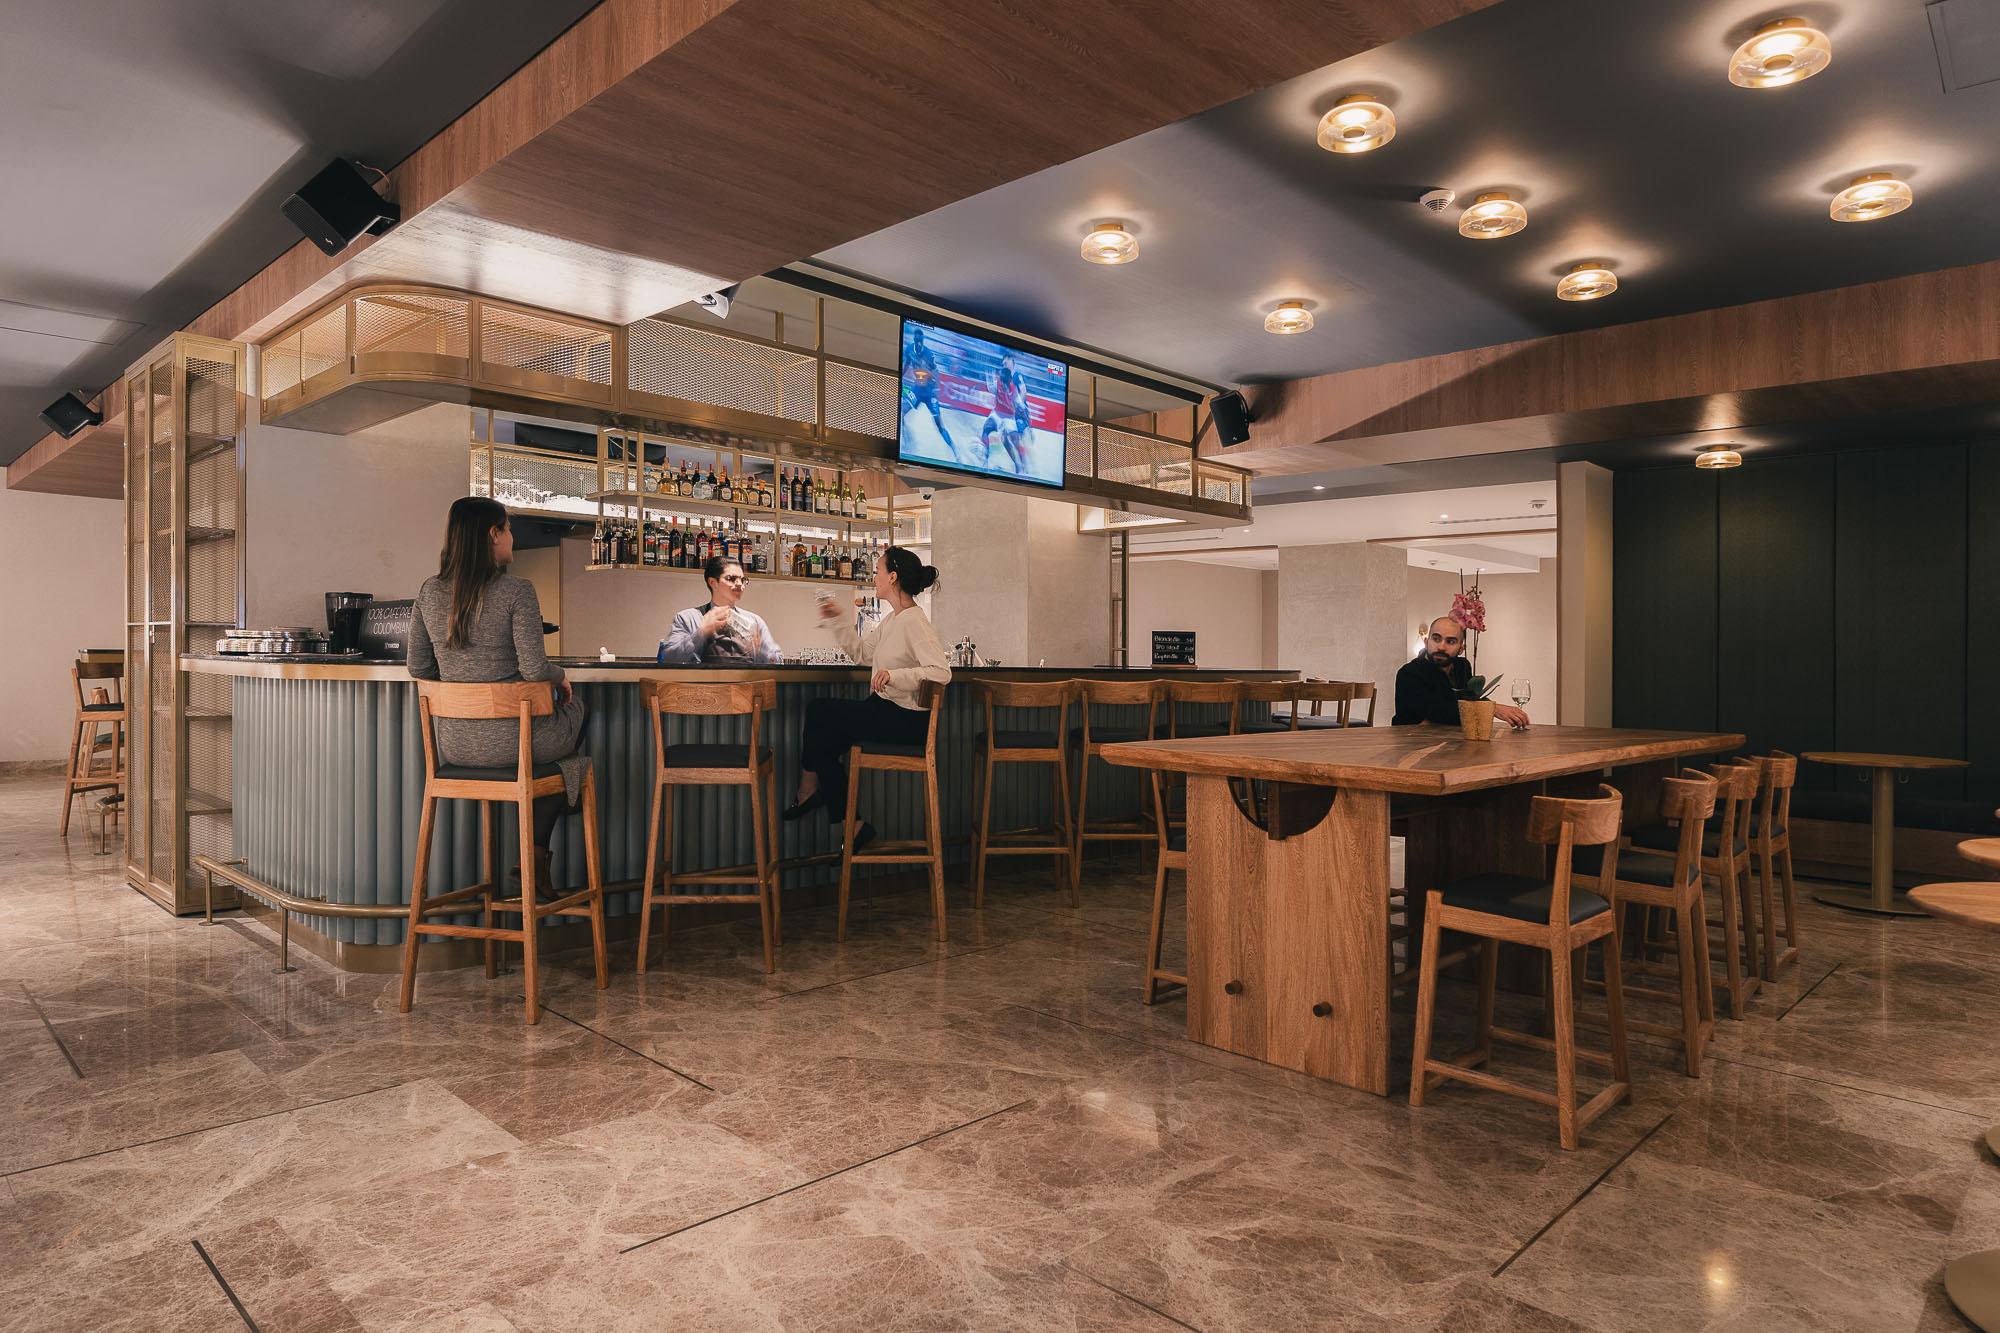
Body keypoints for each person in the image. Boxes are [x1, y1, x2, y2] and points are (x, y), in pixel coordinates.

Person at [406, 496, 588, 899]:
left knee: (558, 759)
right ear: (494, 534)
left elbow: (418, 667)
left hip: (455, 745)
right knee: (577, 713)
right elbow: (535, 669)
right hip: (515, 743)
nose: (512, 538)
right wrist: (561, 676)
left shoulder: (429, 591)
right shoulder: (517, 590)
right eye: (508, 529)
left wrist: (465, 686)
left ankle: (556, 808)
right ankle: (546, 834)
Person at [784, 546, 951, 851]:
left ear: (893, 577)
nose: (874, 577)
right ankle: (854, 827)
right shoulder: (893, 620)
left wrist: (894, 676)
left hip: (907, 719)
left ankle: (808, 789)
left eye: (878, 571)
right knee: (823, 745)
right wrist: (838, 620)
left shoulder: (914, 621)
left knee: (818, 710)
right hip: (886, 711)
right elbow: (862, 654)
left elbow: (940, 672)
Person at [1392, 615, 1530, 729]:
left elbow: (1465, 708)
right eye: (1436, 639)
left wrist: (1459, 714)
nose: (1441, 646)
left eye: (1450, 641)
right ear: (1426, 642)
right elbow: (1440, 711)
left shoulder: (1462, 666)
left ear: (1461, 649)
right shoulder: (1409, 673)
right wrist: (1493, 709)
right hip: (1411, 745)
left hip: (1453, 742)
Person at [660, 555, 782, 663]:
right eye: (731, 578)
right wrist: (701, 633)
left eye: (743, 580)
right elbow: (668, 658)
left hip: (746, 682)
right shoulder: (688, 618)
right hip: (703, 682)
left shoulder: (754, 622)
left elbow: (777, 662)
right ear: (713, 582)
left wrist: (761, 650)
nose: (740, 584)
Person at [901, 329, 956, 455]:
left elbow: (936, 372)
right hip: (917, 389)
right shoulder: (909, 349)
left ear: (923, 341)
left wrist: (936, 387)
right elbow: (906, 364)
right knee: (901, 412)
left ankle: (954, 450)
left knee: (939, 426)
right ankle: (907, 443)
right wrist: (900, 376)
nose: (919, 343)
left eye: (921, 341)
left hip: (930, 393)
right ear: (915, 340)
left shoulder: (929, 354)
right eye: (917, 341)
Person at [980, 352, 1032, 473]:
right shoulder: (999, 380)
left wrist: (1028, 424)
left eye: (1006, 361)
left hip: (1012, 415)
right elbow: (990, 387)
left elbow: (1023, 395)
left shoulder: (1016, 381)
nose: (1004, 363)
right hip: (999, 413)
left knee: (1015, 440)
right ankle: (986, 461)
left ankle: (1023, 468)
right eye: (1003, 363)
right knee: (991, 431)